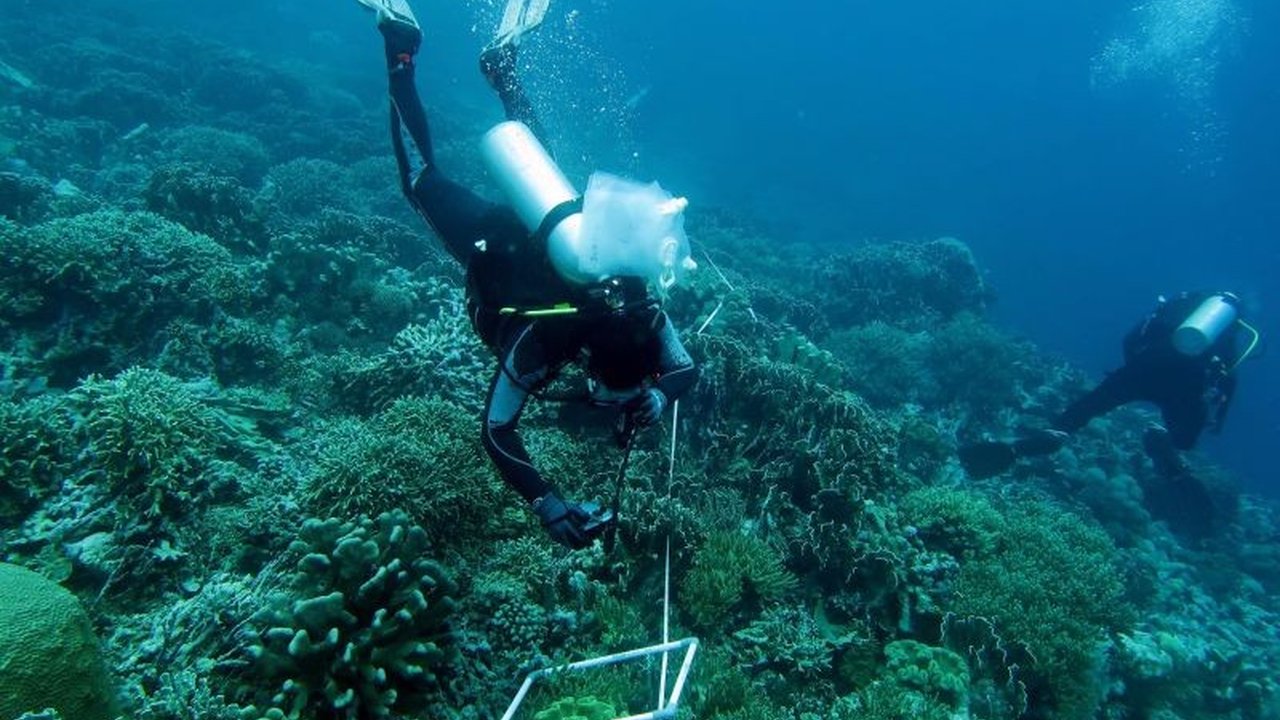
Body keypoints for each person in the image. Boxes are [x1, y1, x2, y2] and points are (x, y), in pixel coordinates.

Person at [358, 0, 699, 549]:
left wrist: (657, 398)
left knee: (541, 167)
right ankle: (401, 49)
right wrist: (547, 503)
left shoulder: (640, 305)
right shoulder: (544, 339)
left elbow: (682, 372)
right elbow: (496, 431)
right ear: (589, 362)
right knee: (420, 180)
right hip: (493, 242)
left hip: (557, 222)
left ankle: (502, 68)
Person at [959, 291, 1261, 536]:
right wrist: (1215, 420)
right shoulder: (1230, 333)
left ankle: (1044, 439)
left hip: (1141, 371)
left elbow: (1132, 338)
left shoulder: (1178, 307)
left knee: (1081, 412)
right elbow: (1226, 382)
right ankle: (1161, 439)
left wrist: (1132, 372)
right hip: (1184, 390)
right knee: (1184, 440)